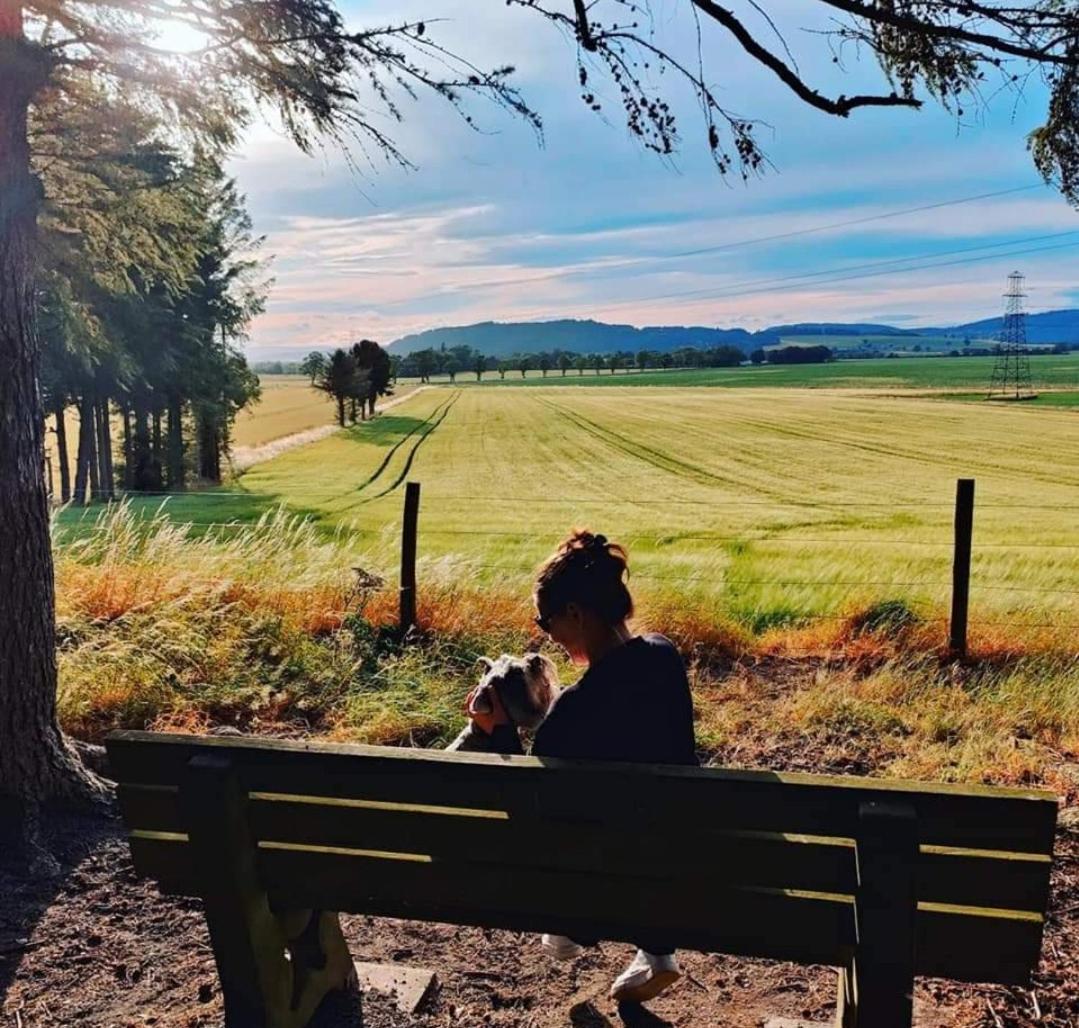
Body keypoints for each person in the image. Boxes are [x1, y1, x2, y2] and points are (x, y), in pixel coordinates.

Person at [466, 529, 698, 1005]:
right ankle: (655, 951)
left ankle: (566, 934)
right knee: (638, 827)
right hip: (676, 866)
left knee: (561, 848)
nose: (544, 633)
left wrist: (497, 733)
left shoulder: (572, 710)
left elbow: (526, 811)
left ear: (574, 613)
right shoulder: (665, 657)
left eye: (545, 621)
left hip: (591, 890)